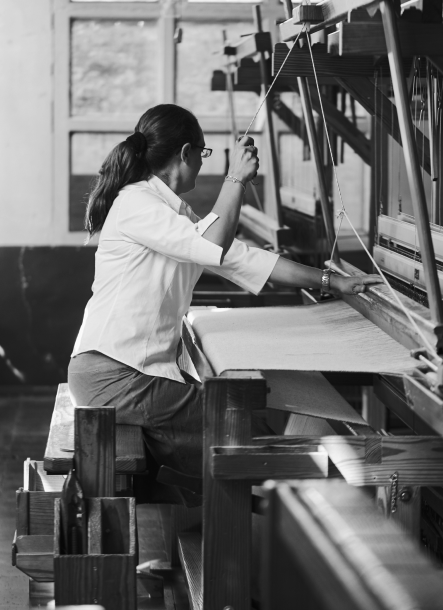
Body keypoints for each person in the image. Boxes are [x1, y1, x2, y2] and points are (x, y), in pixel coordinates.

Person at [68, 103, 381, 505]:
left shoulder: (171, 213)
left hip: (121, 372)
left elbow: (241, 257)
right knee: (233, 421)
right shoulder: (136, 204)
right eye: (203, 153)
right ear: (185, 153)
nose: (202, 164)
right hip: (115, 375)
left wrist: (334, 282)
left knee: (227, 429)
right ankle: (291, 512)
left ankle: (248, 510)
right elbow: (214, 245)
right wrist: (235, 178)